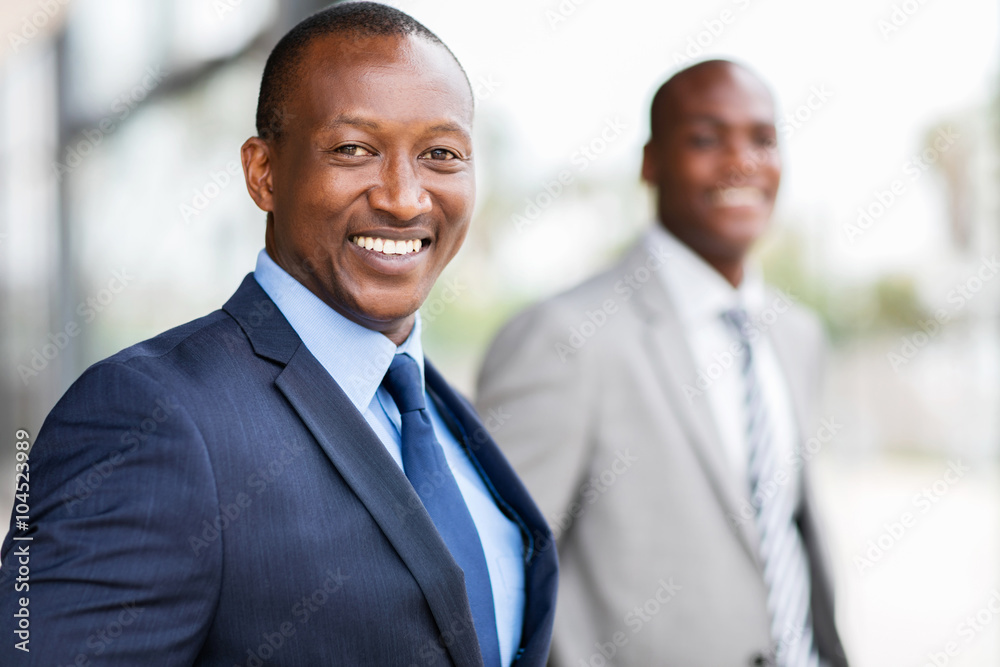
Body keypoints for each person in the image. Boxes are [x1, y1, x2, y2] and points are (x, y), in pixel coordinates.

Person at [0, 3, 557, 665]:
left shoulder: (437, 416)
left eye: (441, 154)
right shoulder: (148, 416)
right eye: (354, 149)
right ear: (263, 172)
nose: (406, 198)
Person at [475, 60, 848, 667]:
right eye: (705, 139)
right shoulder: (564, 338)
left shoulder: (798, 334)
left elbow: (785, 537)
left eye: (762, 139)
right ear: (650, 163)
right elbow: (494, 577)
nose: (742, 162)